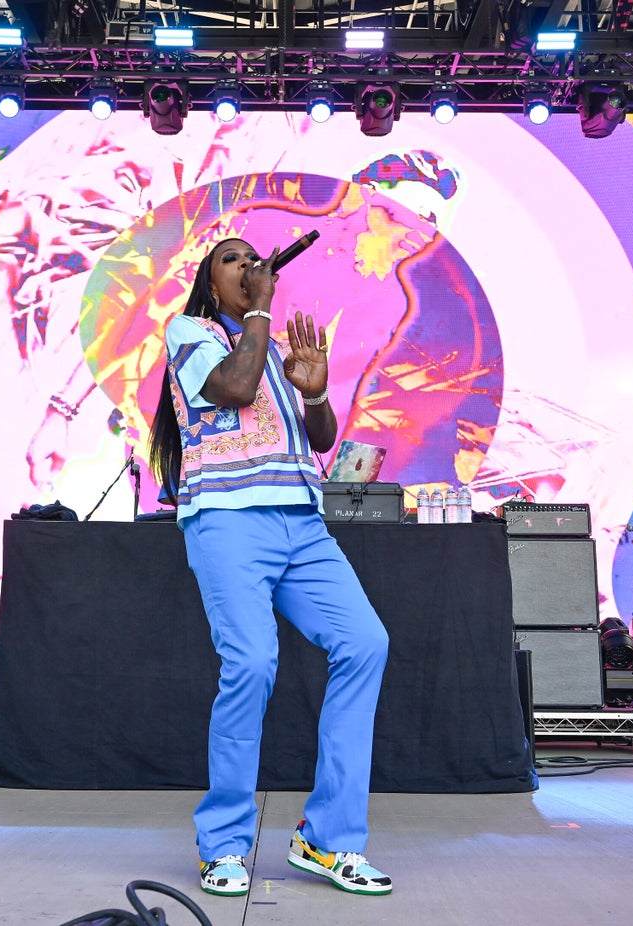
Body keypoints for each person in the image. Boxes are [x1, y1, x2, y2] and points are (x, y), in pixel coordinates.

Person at [148, 238, 392, 898]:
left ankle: (328, 839)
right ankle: (224, 841)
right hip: (227, 518)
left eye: (256, 258)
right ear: (209, 281)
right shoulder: (191, 331)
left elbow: (317, 438)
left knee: (366, 643)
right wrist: (260, 314)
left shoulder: (268, 343)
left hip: (300, 520)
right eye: (233, 259)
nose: (250, 265)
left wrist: (315, 392)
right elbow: (232, 388)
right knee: (252, 662)